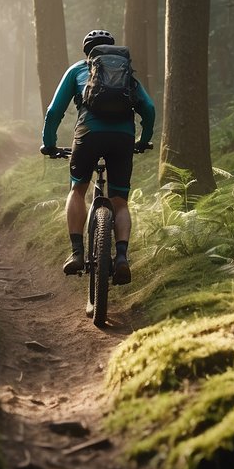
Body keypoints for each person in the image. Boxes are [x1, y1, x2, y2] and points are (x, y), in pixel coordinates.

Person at [39, 29, 156, 286]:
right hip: (123, 138)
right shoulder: (125, 73)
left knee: (78, 189)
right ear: (111, 51)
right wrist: (144, 139)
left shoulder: (77, 70)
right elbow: (148, 108)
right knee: (120, 201)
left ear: (87, 51)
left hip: (88, 135)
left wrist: (49, 144)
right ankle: (122, 257)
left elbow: (53, 111)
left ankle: (77, 252)